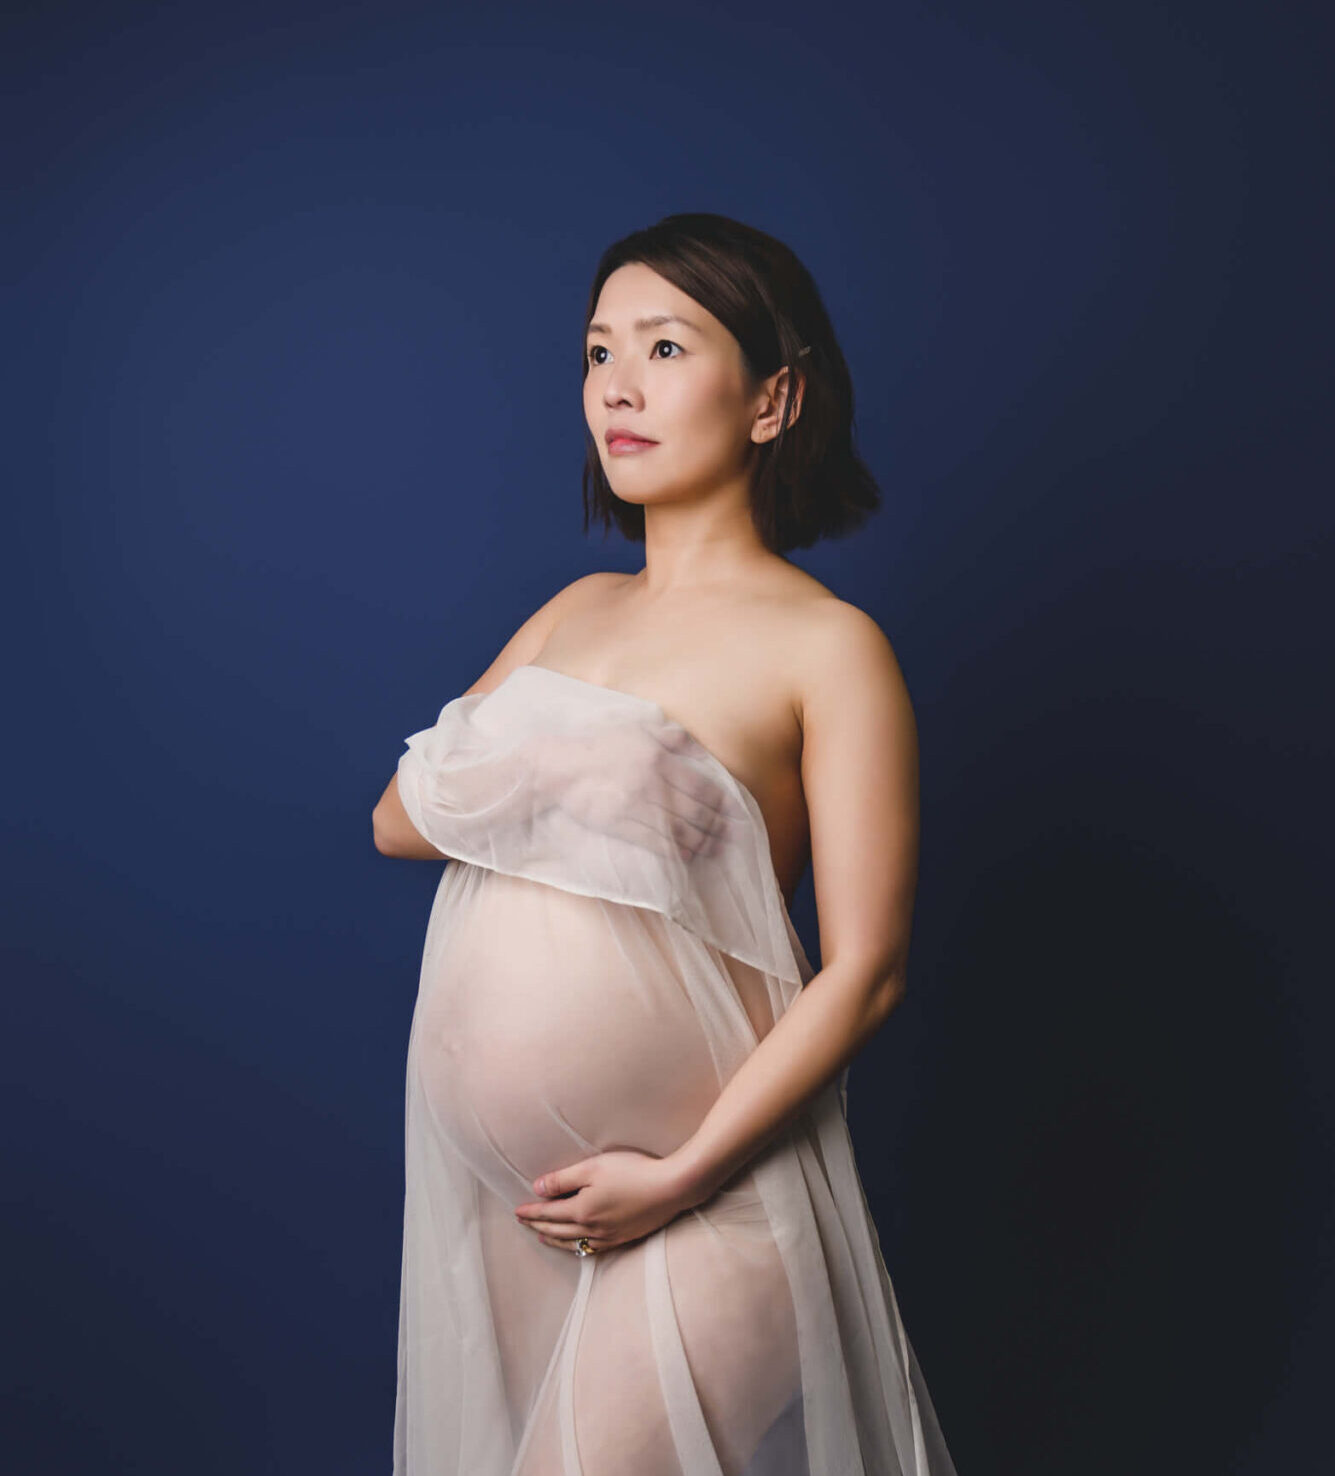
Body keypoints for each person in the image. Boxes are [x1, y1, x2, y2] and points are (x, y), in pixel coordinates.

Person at [371, 212, 959, 1476]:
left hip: (709, 1204)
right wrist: (572, 770)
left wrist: (684, 1173)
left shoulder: (828, 648)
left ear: (773, 399)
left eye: (667, 347)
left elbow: (868, 972)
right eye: (598, 352)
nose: (618, 387)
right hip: (519, 1210)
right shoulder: (573, 613)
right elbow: (398, 816)